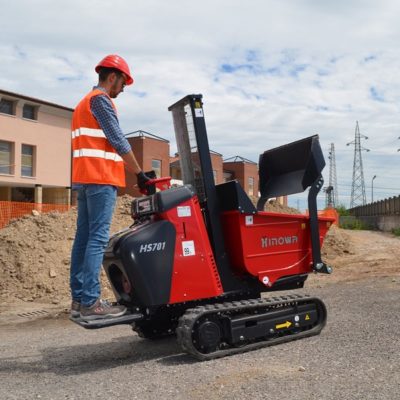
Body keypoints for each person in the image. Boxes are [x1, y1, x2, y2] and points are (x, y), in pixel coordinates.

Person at [70, 54, 150, 321]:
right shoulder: (101, 101)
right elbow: (118, 140)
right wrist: (139, 174)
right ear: (112, 77)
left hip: (84, 180)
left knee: (83, 240)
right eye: (123, 84)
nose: (123, 90)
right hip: (101, 179)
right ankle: (91, 302)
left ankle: (80, 300)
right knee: (96, 239)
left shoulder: (83, 103)